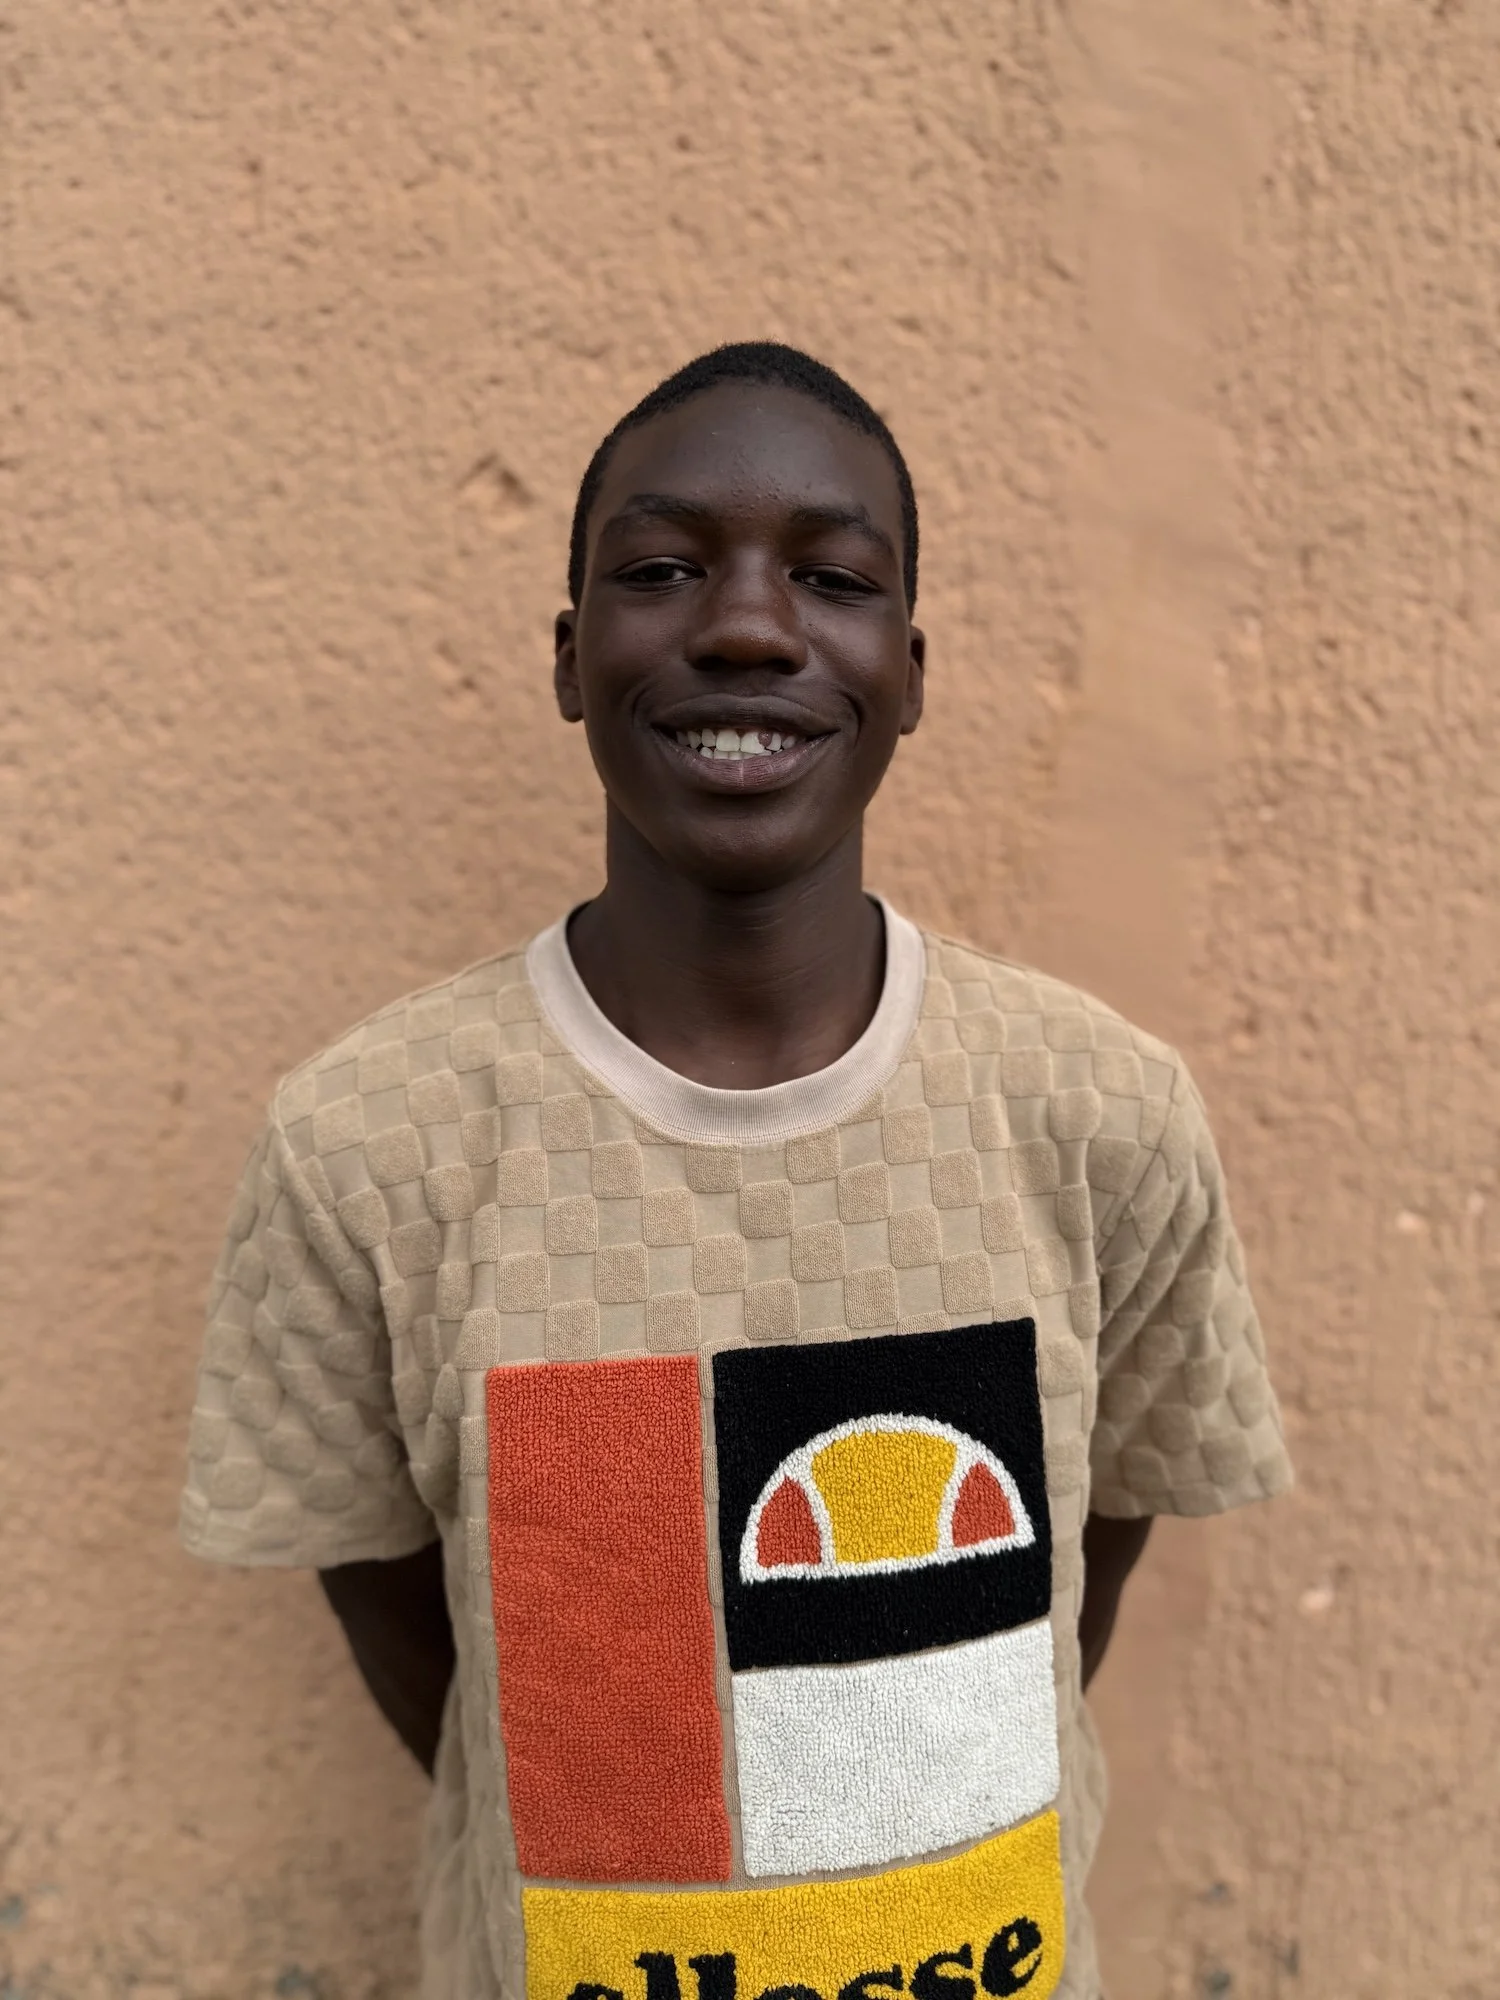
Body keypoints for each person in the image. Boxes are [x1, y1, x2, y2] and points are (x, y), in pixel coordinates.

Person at [180, 343, 1292, 2000]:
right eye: (660, 568)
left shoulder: (1095, 1113)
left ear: (909, 670)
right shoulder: (372, 1144)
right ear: (571, 658)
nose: (750, 627)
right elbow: (388, 1588)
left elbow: (1093, 1544)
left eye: (831, 578)